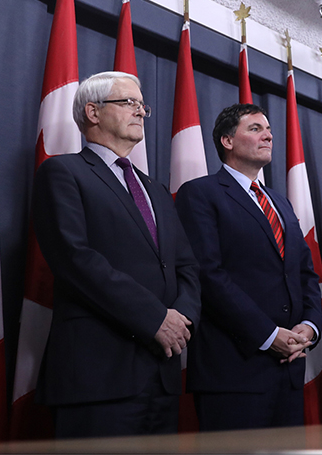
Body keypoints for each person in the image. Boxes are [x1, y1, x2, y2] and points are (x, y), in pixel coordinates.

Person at [31, 71, 201, 438]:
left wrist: (182, 320)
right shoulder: (63, 172)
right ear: (93, 112)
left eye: (142, 105)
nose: (140, 111)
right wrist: (156, 318)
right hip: (99, 375)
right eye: (128, 103)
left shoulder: (154, 188)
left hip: (163, 368)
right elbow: (75, 259)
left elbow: (185, 264)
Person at [175, 103, 322, 431]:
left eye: (268, 129)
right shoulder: (200, 194)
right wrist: (269, 336)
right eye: (255, 128)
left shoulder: (279, 202)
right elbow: (208, 275)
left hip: (290, 367)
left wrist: (309, 327)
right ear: (227, 141)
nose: (268, 135)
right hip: (232, 371)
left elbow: (304, 273)